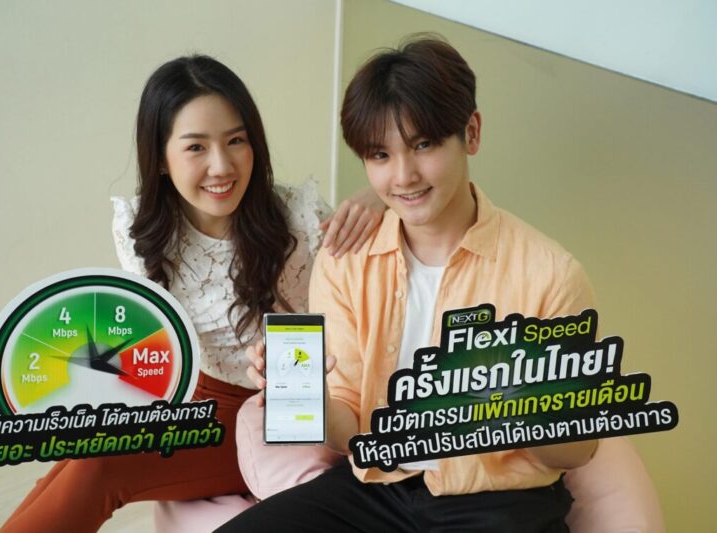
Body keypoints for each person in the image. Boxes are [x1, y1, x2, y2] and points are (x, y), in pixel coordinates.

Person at [221, 35, 599, 532]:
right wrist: (304, 399)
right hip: (378, 488)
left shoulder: (550, 273)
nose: (403, 176)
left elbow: (577, 450)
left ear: (471, 133)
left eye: (423, 145)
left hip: (498, 502)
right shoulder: (345, 262)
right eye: (380, 155)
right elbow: (351, 427)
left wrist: (509, 401)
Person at [1, 54, 384, 533]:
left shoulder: (299, 218)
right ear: (161, 158)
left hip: (279, 407)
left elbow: (382, 277)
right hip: (193, 395)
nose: (221, 166)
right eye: (196, 147)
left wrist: (380, 194)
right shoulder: (141, 229)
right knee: (85, 450)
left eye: (236, 140)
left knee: (100, 465)